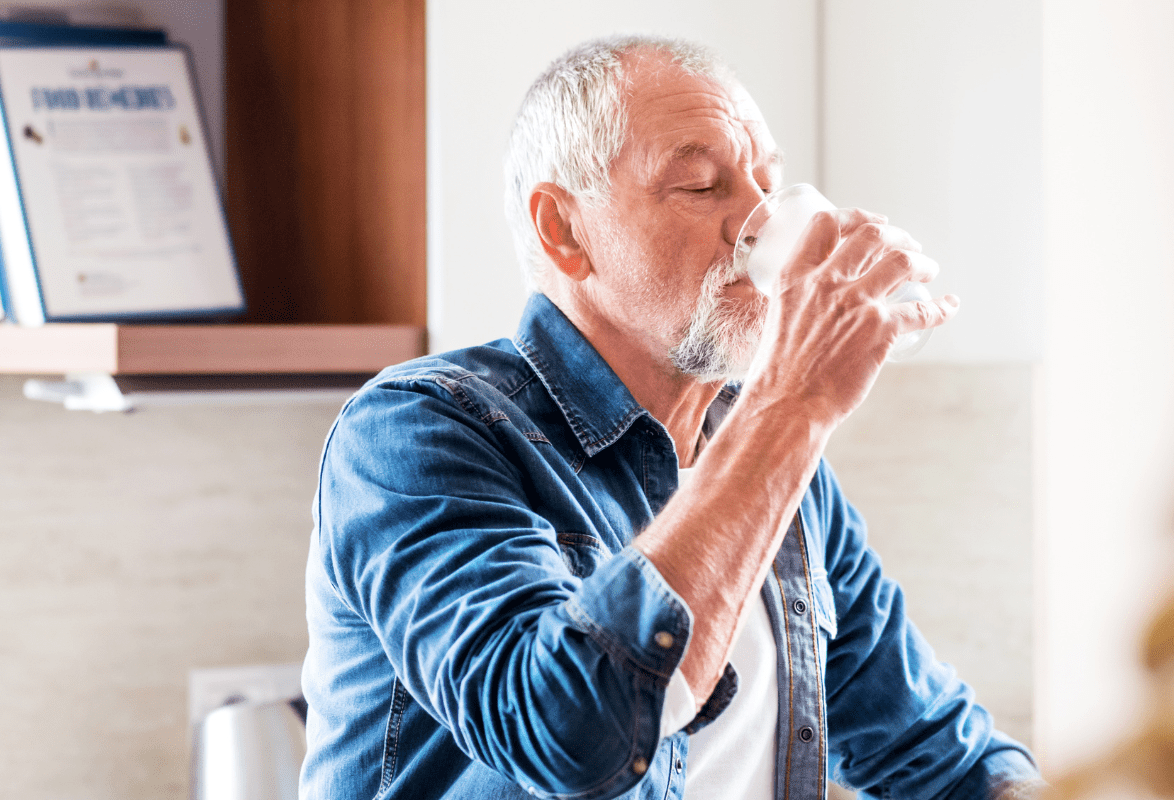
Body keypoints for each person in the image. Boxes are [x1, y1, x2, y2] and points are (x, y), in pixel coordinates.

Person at [301, 33, 1041, 800]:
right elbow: (567, 736)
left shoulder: (780, 464)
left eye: (768, 182)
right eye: (700, 185)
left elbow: (933, 752)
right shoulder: (415, 432)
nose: (757, 221)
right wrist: (791, 403)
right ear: (565, 229)